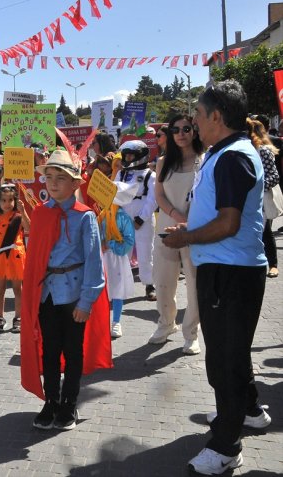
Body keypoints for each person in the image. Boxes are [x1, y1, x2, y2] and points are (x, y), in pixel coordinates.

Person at [163, 80, 270, 475]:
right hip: (223, 267)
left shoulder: (234, 157)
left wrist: (186, 237)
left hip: (231, 272)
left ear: (217, 117)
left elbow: (228, 222)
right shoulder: (222, 153)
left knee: (223, 360)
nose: (193, 121)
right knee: (232, 350)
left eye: (198, 114)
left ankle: (227, 446)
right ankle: (249, 410)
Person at [21, 149, 110, 432]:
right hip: (47, 295)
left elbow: (94, 262)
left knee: (72, 352)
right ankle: (51, 401)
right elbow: (35, 258)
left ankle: (69, 403)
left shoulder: (85, 217)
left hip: (72, 296)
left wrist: (86, 302)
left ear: (75, 184)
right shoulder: (40, 213)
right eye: (49, 177)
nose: (53, 183)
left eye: (61, 178)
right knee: (48, 351)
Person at [149, 115, 203, 354]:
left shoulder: (205, 160)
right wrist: (176, 215)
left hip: (196, 227)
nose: (181, 133)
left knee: (194, 281)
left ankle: (191, 333)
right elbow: (159, 195)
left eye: (186, 128)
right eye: (176, 129)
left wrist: (189, 222)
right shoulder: (163, 162)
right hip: (167, 224)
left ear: (194, 131)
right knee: (163, 279)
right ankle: (165, 323)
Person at [114, 140, 157, 301]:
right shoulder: (121, 173)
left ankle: (149, 284)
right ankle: (123, 286)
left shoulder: (149, 175)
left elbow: (153, 200)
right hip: (124, 216)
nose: (128, 158)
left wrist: (141, 218)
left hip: (142, 217)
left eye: (131, 155)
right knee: (123, 253)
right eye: (126, 155)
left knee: (145, 252)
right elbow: (114, 193)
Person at [0, 185, 30, 333]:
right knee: (0, 289)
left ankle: (18, 317)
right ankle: (0, 317)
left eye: (10, 200)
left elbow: (29, 228)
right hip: (0, 257)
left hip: (16, 256)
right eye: (4, 200)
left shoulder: (18, 217)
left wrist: (23, 211)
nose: (7, 203)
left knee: (17, 289)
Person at [97, 183, 136, 339]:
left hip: (118, 259)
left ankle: (116, 322)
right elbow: (97, 233)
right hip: (103, 257)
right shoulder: (102, 215)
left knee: (117, 289)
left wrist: (111, 244)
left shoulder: (124, 217)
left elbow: (129, 240)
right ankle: (102, 321)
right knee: (102, 289)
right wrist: (101, 243)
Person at [247, 118, 280, 279]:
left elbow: (274, 176)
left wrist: (257, 188)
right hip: (242, 203)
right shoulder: (234, 151)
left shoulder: (263, 151)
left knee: (265, 232)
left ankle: (273, 265)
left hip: (261, 201)